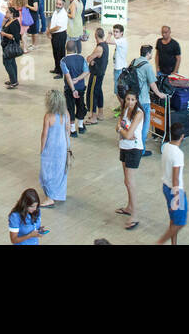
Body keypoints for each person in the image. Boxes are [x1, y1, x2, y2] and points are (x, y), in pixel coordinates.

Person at [115, 91, 145, 232]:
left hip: (134, 149)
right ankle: (129, 207)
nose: (130, 102)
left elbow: (126, 134)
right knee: (126, 181)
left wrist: (123, 130)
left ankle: (135, 215)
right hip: (124, 147)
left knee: (130, 182)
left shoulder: (139, 114)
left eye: (133, 99)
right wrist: (124, 130)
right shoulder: (125, 109)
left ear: (137, 100)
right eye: (128, 99)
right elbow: (119, 128)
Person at [156, 122, 187, 245]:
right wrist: (177, 197)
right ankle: (160, 242)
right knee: (180, 222)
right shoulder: (178, 154)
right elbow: (176, 178)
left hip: (165, 186)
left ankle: (174, 243)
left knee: (173, 218)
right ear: (182, 136)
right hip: (175, 190)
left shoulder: (166, 147)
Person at [39, 89, 70, 206]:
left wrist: (42, 149)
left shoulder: (48, 116)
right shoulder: (66, 113)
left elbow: (44, 134)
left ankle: (50, 197)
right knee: (60, 170)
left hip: (51, 147)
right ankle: (59, 193)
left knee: (47, 171)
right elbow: (68, 130)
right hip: (62, 146)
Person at [60, 40, 89, 136]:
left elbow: (68, 77)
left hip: (69, 89)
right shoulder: (81, 58)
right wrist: (78, 79)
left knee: (70, 107)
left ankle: (72, 130)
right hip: (80, 87)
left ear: (66, 49)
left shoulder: (63, 61)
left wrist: (73, 89)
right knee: (80, 105)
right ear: (76, 48)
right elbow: (86, 72)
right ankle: (80, 126)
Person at [84, 27, 110, 125]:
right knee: (99, 92)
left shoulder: (99, 48)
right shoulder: (105, 45)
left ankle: (93, 117)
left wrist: (91, 60)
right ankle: (100, 113)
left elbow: (89, 58)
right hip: (101, 73)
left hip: (96, 74)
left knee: (92, 94)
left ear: (95, 36)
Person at [0, 2, 24, 89]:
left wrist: (4, 34)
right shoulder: (8, 21)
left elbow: (14, 36)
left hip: (10, 47)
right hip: (6, 46)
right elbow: (3, 27)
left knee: (7, 63)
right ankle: (13, 79)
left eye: (7, 12)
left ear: (12, 14)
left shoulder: (14, 23)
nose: (6, 13)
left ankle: (13, 81)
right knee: (12, 62)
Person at [48, 0, 68, 78]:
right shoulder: (56, 12)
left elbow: (58, 27)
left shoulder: (63, 14)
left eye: (60, 4)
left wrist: (49, 31)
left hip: (60, 35)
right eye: (57, 4)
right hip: (55, 35)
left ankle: (61, 72)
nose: (58, 5)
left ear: (63, 5)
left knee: (60, 54)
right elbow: (52, 22)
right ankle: (57, 68)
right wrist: (49, 30)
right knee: (55, 53)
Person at [111, 23, 128, 104]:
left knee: (118, 91)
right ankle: (123, 106)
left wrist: (109, 34)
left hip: (119, 70)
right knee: (119, 91)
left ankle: (123, 108)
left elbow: (107, 41)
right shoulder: (121, 41)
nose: (114, 33)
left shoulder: (121, 41)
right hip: (119, 68)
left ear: (122, 33)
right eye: (114, 31)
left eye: (116, 32)